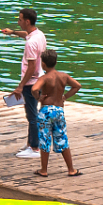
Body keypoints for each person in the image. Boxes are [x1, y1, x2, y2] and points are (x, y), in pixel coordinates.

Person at [1, 8, 47, 160]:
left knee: (32, 114)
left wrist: (21, 85)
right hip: (40, 79)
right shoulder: (38, 35)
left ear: (27, 21)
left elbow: (31, 67)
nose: (18, 21)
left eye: (20, 20)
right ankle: (31, 143)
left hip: (31, 83)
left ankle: (34, 148)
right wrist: (12, 32)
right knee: (33, 113)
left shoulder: (31, 44)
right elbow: (26, 34)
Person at [30, 48, 81, 176]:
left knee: (45, 139)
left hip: (46, 110)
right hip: (59, 110)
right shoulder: (63, 76)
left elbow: (34, 89)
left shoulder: (45, 78)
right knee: (62, 138)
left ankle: (44, 170)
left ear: (43, 64)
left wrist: (39, 97)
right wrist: (65, 97)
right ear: (56, 62)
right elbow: (77, 86)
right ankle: (71, 169)